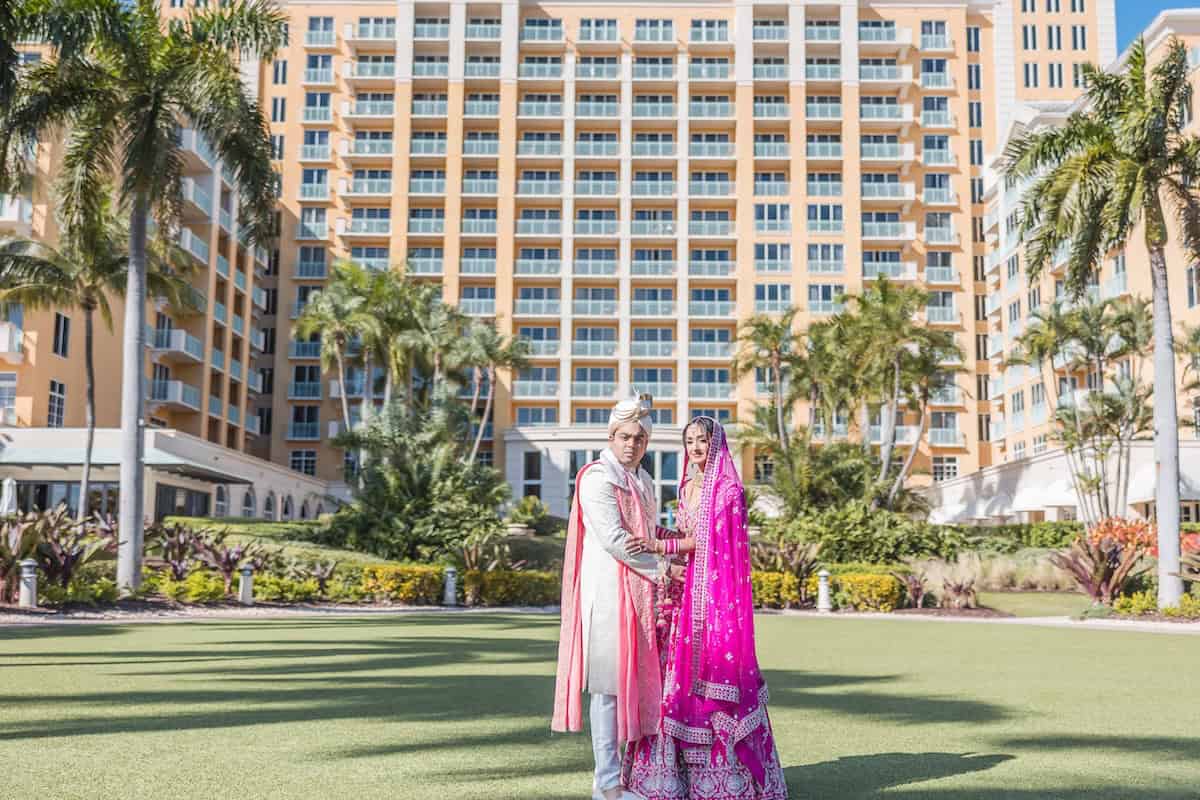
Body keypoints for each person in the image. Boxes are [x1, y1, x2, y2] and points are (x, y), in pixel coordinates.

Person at [621, 416, 789, 800]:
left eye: (703, 440)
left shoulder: (729, 490)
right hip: (683, 600)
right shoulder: (688, 487)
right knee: (673, 685)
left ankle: (727, 782)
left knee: (711, 680)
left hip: (712, 604)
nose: (696, 447)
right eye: (690, 441)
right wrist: (653, 532)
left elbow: (708, 543)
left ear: (716, 444)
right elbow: (686, 537)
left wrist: (657, 546)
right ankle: (668, 779)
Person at [553, 393, 682, 800]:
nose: (631, 444)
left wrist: (687, 546)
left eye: (639, 439)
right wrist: (665, 567)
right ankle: (606, 786)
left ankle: (631, 777)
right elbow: (615, 539)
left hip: (640, 599)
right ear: (611, 436)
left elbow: (650, 533)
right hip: (608, 597)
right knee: (608, 691)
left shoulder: (642, 480)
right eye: (624, 436)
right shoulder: (597, 478)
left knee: (637, 686)